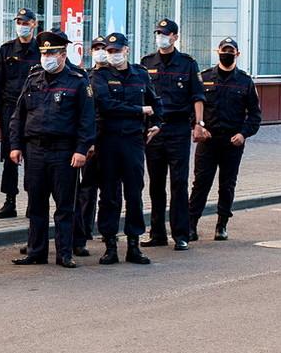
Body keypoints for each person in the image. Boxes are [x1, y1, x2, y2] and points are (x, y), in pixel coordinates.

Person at [7, 29, 95, 268]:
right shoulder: (33, 77)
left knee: (64, 206)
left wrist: (81, 149)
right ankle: (36, 251)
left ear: (63, 54)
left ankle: (64, 253)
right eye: (44, 52)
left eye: (52, 53)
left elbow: (87, 119)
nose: (47, 57)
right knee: (36, 204)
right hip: (34, 150)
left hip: (64, 151)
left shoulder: (77, 80)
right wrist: (15, 146)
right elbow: (19, 115)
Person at [90, 33, 161, 266]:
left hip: (133, 141)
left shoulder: (140, 74)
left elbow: (155, 101)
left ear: (126, 51)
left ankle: (134, 244)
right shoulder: (99, 76)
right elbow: (106, 105)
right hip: (107, 140)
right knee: (109, 195)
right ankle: (110, 244)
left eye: (116, 51)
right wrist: (140, 111)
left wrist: (157, 123)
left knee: (134, 193)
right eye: (109, 51)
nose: (113, 55)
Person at [139, 19, 207, 251]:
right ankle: (157, 232)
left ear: (175, 37)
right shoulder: (147, 63)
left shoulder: (187, 63)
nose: (161, 37)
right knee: (156, 183)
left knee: (179, 182)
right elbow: (141, 96)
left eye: (165, 33)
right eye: (158, 33)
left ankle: (181, 233)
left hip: (178, 129)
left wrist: (198, 124)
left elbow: (197, 96)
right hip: (154, 130)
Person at [190, 37, 262, 242]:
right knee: (200, 184)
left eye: (231, 51)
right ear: (217, 52)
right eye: (224, 50)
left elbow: (255, 115)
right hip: (208, 140)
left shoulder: (245, 81)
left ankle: (221, 225)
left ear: (237, 54)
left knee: (227, 184)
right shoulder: (204, 78)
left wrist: (243, 134)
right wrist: (197, 128)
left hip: (232, 141)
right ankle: (191, 224)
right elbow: (192, 108)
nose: (227, 54)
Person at [0, 7, 41, 219]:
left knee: (32, 158)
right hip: (10, 108)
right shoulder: (7, 49)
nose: (22, 26)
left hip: (34, 109)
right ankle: (9, 201)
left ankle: (32, 201)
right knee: (10, 156)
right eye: (19, 22)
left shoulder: (41, 51)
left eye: (26, 23)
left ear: (34, 24)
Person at [73, 35, 110, 256]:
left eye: (103, 48)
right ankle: (84, 232)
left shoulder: (117, 74)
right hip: (91, 141)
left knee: (110, 189)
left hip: (112, 139)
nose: (100, 51)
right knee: (86, 189)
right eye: (96, 48)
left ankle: (107, 231)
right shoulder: (85, 76)